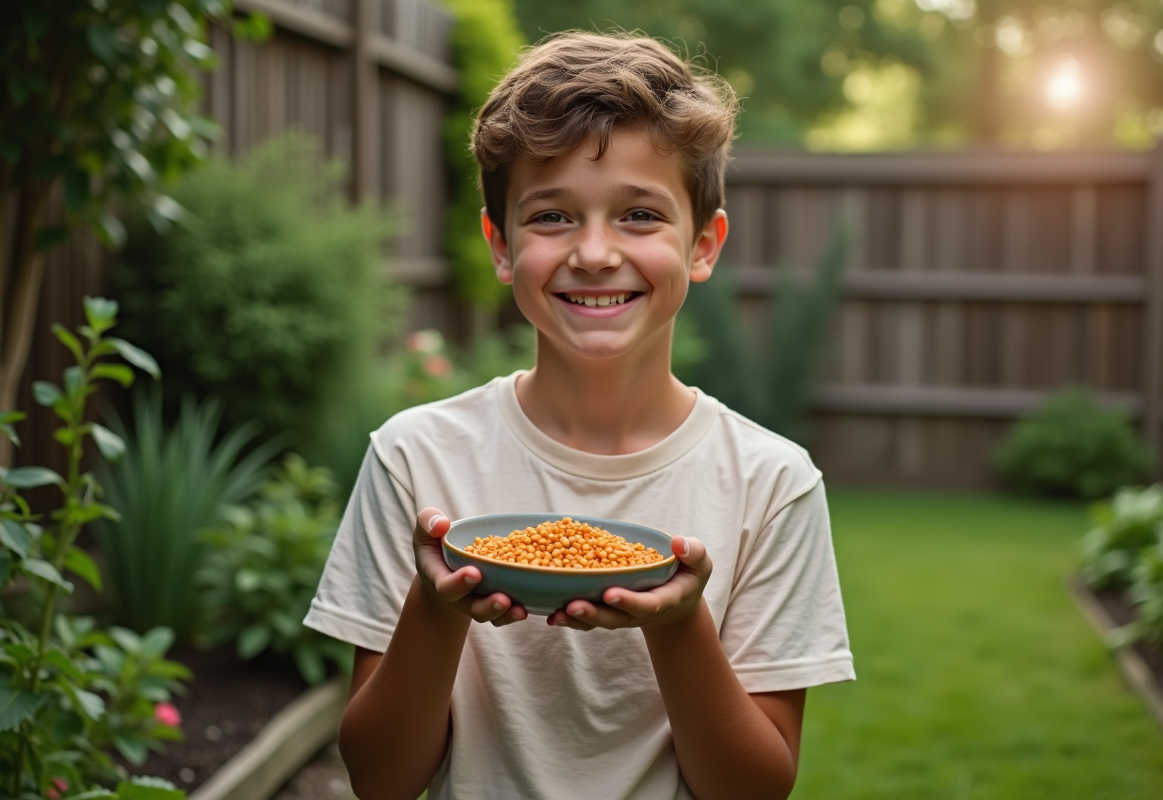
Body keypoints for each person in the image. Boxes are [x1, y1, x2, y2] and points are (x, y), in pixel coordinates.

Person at [304, 31, 854, 800]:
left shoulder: (771, 483)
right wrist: (435, 611)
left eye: (638, 215)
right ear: (500, 246)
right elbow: (382, 779)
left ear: (704, 244)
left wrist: (678, 622)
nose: (594, 253)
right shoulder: (417, 458)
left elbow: (754, 788)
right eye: (552, 217)